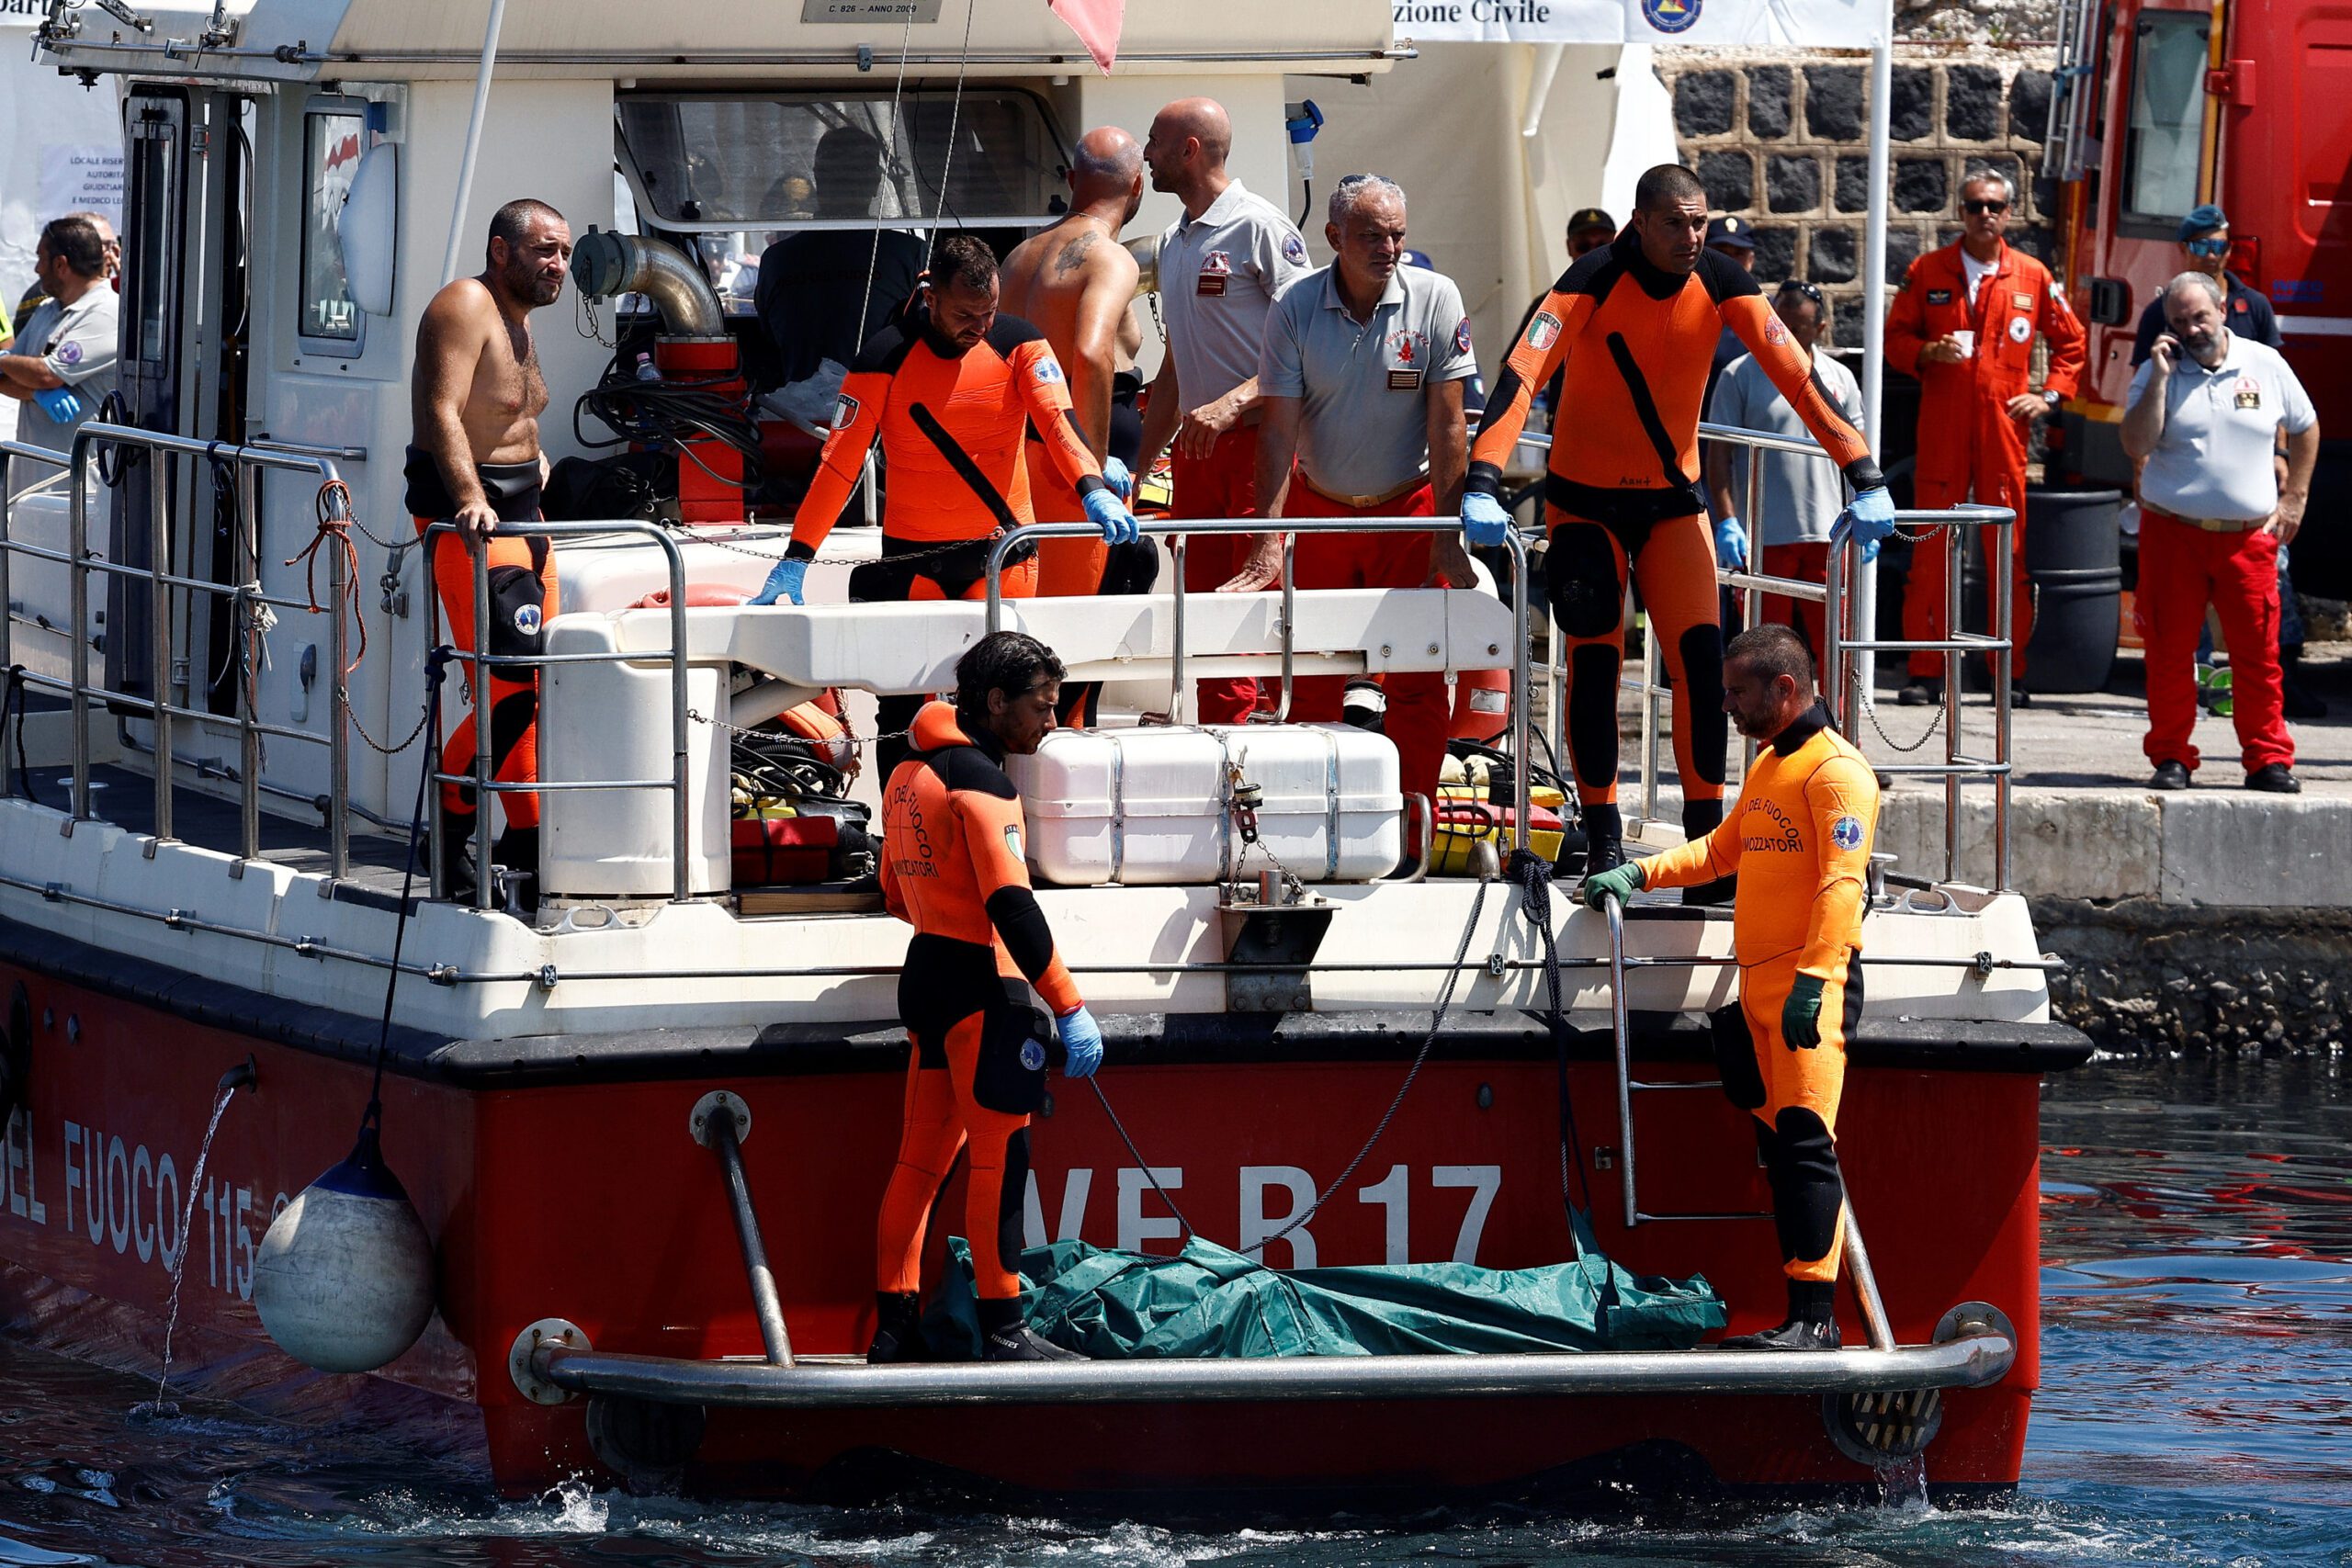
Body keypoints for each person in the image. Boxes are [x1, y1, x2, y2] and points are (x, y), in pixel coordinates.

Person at [1462, 164, 1893, 884]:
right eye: (1675, 223)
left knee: (1704, 666)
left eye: (1700, 222)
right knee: (1597, 662)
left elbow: (1796, 373)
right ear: (1639, 221)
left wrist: (1864, 469)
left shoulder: (1723, 280)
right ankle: (1601, 832)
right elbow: (1522, 372)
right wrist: (1483, 476)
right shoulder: (1590, 278)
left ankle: (1707, 844)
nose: (1692, 237)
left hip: (1674, 505)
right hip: (1585, 504)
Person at [1583, 624, 1877, 1351]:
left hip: (1814, 988)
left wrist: (1816, 980)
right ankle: (1797, 1312)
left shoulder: (1837, 772)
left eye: (1738, 691)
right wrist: (1639, 873)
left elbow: (1844, 885)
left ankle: (1816, 1322)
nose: (1725, 705)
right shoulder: (1773, 766)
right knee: (1780, 1150)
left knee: (1808, 1145)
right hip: (1760, 987)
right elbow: (1722, 852)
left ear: (1785, 687)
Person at [754, 234, 1137, 778]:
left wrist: (1091, 487)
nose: (978, 326)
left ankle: (1003, 831)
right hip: (913, 560)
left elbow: (1058, 423)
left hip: (1004, 556)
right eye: (964, 313)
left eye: (989, 312)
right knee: (904, 707)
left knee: (1005, 708)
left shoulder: (1019, 343)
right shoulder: (884, 356)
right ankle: (901, 840)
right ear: (928, 294)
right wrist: (799, 554)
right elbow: (840, 462)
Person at [870, 631, 1102, 1364]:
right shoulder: (985, 782)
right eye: (1041, 705)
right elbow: (1012, 902)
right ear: (995, 701)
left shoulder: (907, 772)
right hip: (980, 985)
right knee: (1002, 1160)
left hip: (926, 975)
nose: (1052, 721)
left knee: (917, 1165)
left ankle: (892, 1330)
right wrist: (1067, 1002)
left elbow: (891, 892)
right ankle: (1005, 1328)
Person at [1253, 174, 1477, 846]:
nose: (1389, 247)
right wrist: (1268, 540)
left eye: (1399, 235)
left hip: (1409, 516)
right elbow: (1276, 431)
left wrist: (1447, 531)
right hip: (1320, 514)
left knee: (1415, 681)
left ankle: (1412, 828)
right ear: (1333, 238)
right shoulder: (1293, 306)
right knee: (1314, 681)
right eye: (1373, 235)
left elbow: (1450, 428)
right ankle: (1308, 832)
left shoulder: (1436, 297)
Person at [408, 197, 573, 897]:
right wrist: (471, 496)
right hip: (474, 520)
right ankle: (450, 830)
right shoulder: (464, 304)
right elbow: (440, 409)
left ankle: (529, 840)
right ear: (502, 251)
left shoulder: (522, 323)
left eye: (563, 252)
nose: (558, 265)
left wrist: (532, 467)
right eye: (544, 251)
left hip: (527, 515)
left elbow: (505, 416)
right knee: (508, 692)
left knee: (538, 689)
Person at [1136, 96, 1313, 722]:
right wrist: (1137, 465)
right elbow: (1175, 367)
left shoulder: (1261, 228)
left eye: (1154, 140)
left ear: (1189, 150)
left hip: (1259, 451)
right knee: (1203, 610)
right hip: (1196, 454)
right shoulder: (1172, 242)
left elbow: (1310, 346)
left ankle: (1248, 751)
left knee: (1245, 608)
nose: (1145, 154)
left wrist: (1232, 405)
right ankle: (1217, 744)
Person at [1885, 169, 2085, 707]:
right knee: (1931, 549)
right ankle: (1926, 669)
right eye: (1975, 205)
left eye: (1995, 205)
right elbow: (1895, 337)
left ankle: (2006, 670)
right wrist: (1928, 352)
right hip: (1944, 426)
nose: (1985, 214)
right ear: (1962, 211)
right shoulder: (1927, 270)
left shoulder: (2032, 275)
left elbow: (2072, 344)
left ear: (2009, 213)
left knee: (2007, 551)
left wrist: (2048, 397)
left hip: (2003, 430)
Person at [2120, 272, 2316, 795]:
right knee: (2168, 652)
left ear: (2223, 309)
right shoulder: (2158, 368)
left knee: (2259, 654)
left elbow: (2306, 425)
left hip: (2246, 538)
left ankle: (2267, 758)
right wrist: (2160, 378)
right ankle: (2172, 755)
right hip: (2173, 534)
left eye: (2199, 317)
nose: (2192, 329)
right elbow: (2135, 443)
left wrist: (2295, 495)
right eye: (2180, 322)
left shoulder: (2264, 363)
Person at [998, 125, 1151, 727]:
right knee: (1067, 648)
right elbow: (1090, 354)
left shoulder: (1019, 256)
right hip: (1070, 480)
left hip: (1020, 465)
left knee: (1023, 632)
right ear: (1137, 186)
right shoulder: (1109, 258)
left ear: (1070, 182)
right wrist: (1092, 462)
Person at [1704, 281, 1865, 658]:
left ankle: (1835, 718)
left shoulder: (1840, 377)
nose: (1787, 334)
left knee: (1834, 649)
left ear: (1820, 329)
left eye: (1799, 327)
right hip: (1763, 538)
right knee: (1763, 651)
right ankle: (1765, 720)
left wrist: (1865, 504)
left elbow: (1859, 449)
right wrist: (1727, 521)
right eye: (1781, 322)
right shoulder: (1739, 374)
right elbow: (1718, 456)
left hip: (1830, 534)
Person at [753, 126, 926, 403]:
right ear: (875, 182)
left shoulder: (776, 260)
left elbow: (768, 342)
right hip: (882, 415)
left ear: (818, 178)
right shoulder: (911, 254)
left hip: (795, 414)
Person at [0, 217, 119, 457]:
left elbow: (47, 375)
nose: (36, 269)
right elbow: (5, 377)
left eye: (40, 259)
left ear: (60, 265)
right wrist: (34, 392)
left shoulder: (107, 311)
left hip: (79, 484)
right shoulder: (46, 309)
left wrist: (4, 361)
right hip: (34, 477)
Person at [1703, 214, 1758, 410]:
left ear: (1750, 260)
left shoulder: (1768, 312)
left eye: (1739, 253)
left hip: (1748, 432)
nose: (1730, 261)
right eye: (1722, 252)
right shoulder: (1686, 305)